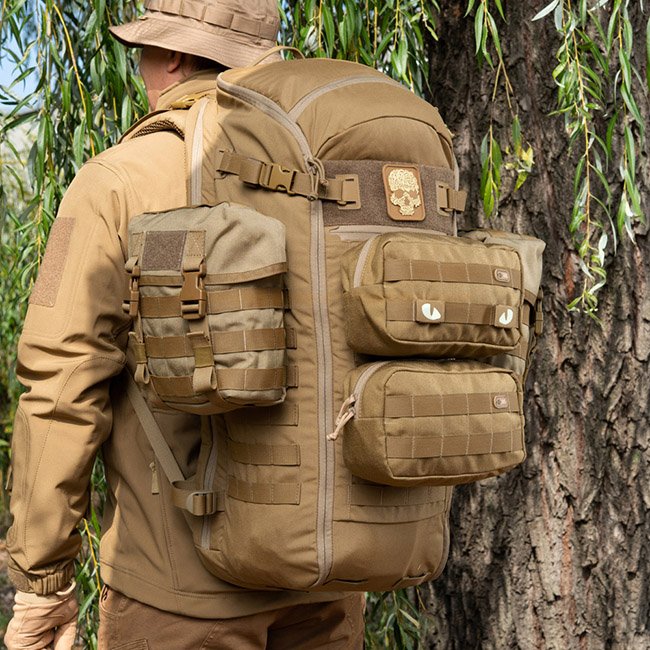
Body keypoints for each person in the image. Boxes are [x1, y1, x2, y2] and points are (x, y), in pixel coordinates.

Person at [3, 1, 365, 648]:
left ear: (172, 55)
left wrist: (42, 581)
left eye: (144, 50)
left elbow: (60, 389)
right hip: (327, 579)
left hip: (179, 593)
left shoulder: (118, 180)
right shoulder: (327, 167)